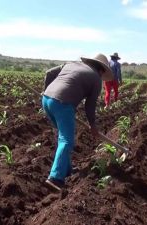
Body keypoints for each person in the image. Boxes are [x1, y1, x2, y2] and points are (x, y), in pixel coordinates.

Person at [42, 53, 113, 191]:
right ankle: (55, 178)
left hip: (46, 100)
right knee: (66, 141)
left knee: (63, 137)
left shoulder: (71, 63)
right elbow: (90, 106)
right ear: (102, 70)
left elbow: (49, 72)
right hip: (63, 104)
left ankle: (67, 169)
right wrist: (93, 126)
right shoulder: (96, 79)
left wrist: (46, 91)